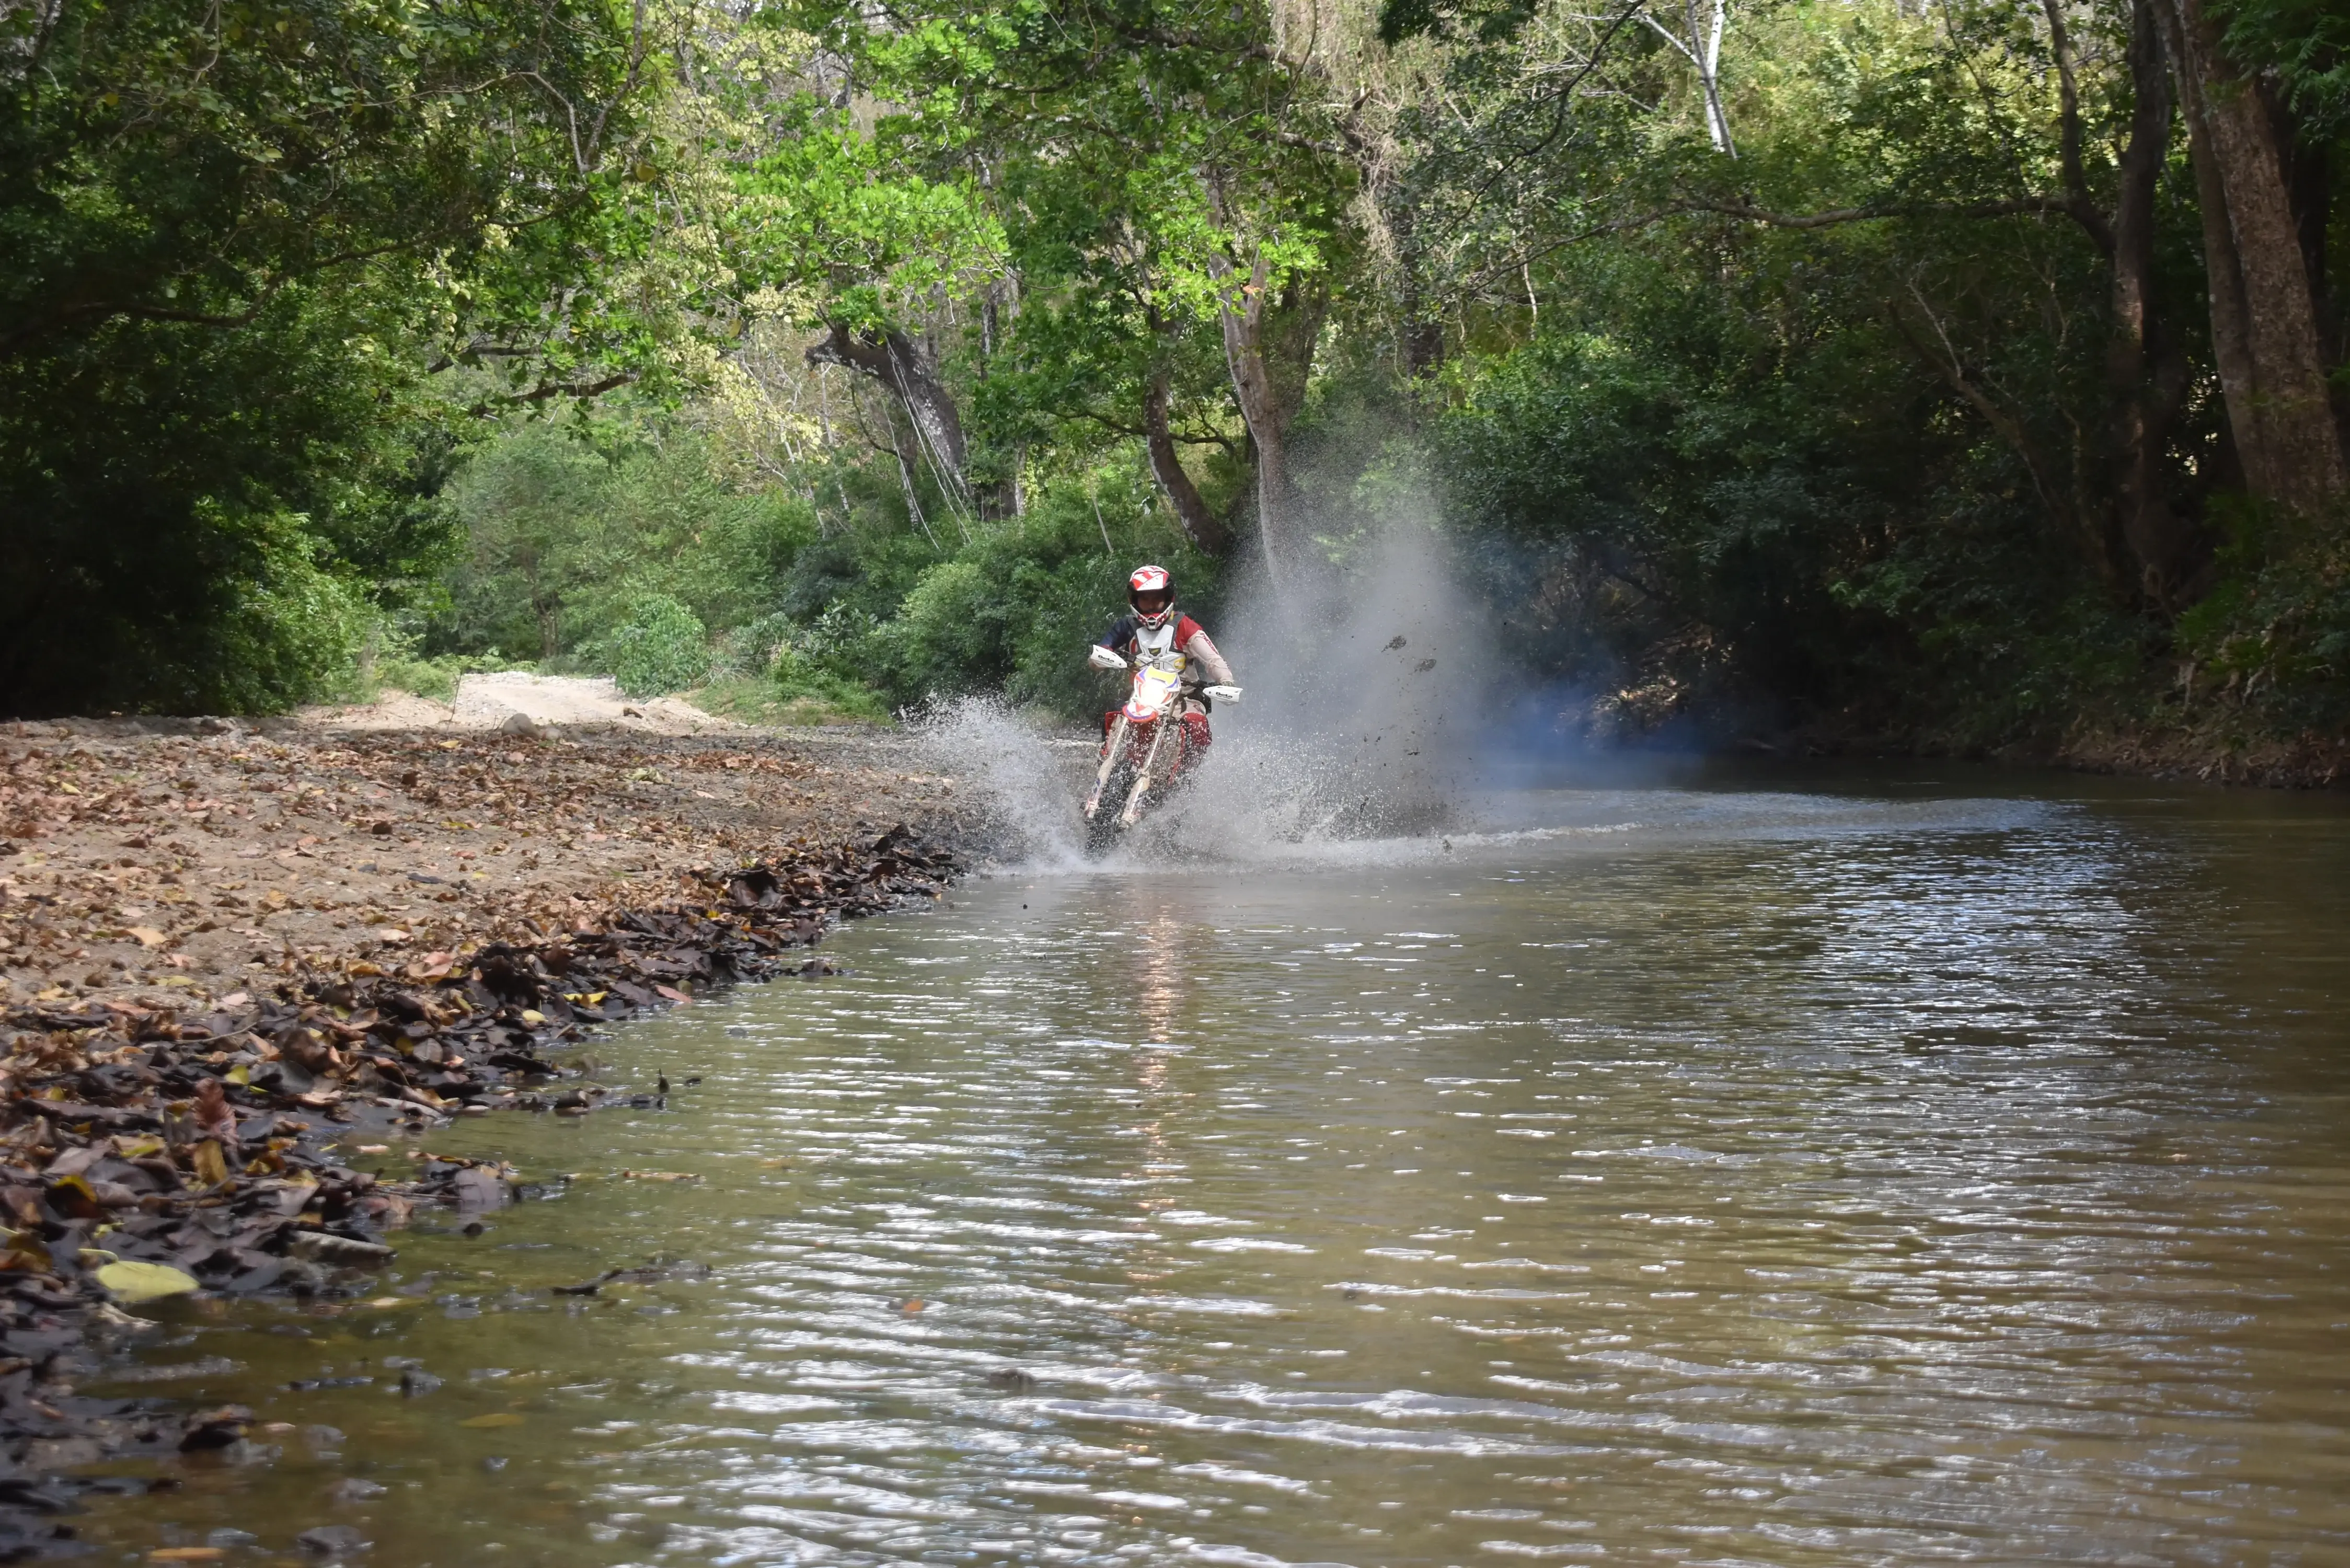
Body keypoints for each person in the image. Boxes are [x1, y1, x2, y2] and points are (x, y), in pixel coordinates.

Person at [1090, 564, 1236, 768]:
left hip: (1183, 698)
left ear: (1168, 598)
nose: (1150, 605)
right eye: (1145, 599)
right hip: (1141, 696)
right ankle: (1107, 763)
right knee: (1113, 716)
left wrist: (1225, 680)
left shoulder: (1184, 626)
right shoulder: (1126, 626)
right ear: (1134, 600)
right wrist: (1100, 659)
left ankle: (1186, 774)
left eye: (1156, 599)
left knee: (1197, 725)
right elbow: (1102, 651)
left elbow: (1212, 658)